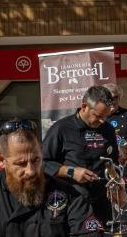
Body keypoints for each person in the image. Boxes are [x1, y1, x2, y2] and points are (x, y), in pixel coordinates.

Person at [44, 85, 121, 224]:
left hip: (100, 203)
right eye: (97, 116)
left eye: (105, 116)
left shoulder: (108, 129)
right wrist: (71, 171)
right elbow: (43, 163)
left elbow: (112, 163)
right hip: (70, 201)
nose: (102, 121)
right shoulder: (61, 128)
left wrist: (119, 185)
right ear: (84, 106)